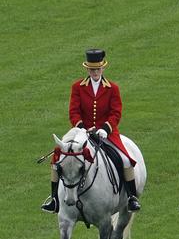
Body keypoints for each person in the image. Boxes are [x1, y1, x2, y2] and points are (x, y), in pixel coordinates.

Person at [43, 49, 140, 213]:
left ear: (103, 68)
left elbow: (116, 113)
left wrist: (105, 129)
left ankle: (131, 197)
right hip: (81, 132)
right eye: (92, 69)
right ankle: (54, 199)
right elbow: (74, 111)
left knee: (125, 159)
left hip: (106, 133)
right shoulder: (77, 87)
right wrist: (82, 128)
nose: (95, 72)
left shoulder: (112, 88)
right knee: (57, 158)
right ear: (87, 69)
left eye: (98, 69)